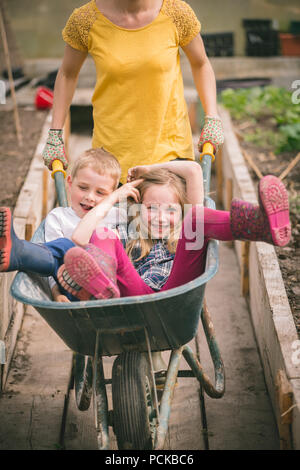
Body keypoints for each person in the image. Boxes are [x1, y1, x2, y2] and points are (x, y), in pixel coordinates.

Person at [48, 162, 291, 301]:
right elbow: (80, 238)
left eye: (171, 210)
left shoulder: (187, 234)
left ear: (180, 210)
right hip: (131, 296)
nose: (161, 218)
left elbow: (194, 170)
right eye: (151, 208)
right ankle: (101, 284)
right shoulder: (128, 231)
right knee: (101, 234)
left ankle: (260, 226)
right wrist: (113, 197)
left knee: (198, 217)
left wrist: (149, 169)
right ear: (138, 208)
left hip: (174, 296)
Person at [42, 0, 224, 183]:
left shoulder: (176, 13)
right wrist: (55, 134)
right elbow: (67, 74)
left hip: (170, 152)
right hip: (111, 156)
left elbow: (200, 63)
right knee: (119, 211)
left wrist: (212, 117)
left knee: (166, 212)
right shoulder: (85, 21)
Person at [0, 147, 141, 302]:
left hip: (113, 288)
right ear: (70, 183)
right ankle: (18, 251)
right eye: (83, 187)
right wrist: (55, 293)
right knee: (64, 247)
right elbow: (52, 264)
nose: (89, 197)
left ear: (113, 194)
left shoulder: (118, 216)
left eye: (100, 193)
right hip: (74, 289)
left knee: (77, 243)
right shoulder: (58, 217)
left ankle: (20, 252)